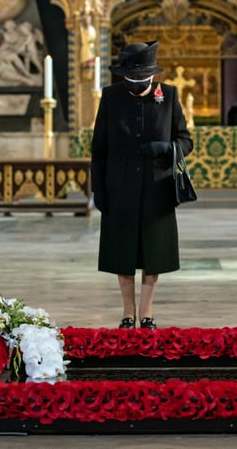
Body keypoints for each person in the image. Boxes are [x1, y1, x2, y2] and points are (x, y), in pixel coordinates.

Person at [90, 41, 193, 330]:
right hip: (119, 187)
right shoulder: (110, 97)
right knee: (121, 252)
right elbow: (99, 147)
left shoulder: (169, 95)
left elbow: (186, 140)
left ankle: (146, 313)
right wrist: (98, 189)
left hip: (156, 189)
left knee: (153, 253)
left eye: (142, 80)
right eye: (131, 80)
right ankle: (127, 313)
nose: (137, 85)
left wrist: (166, 147)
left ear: (151, 76)